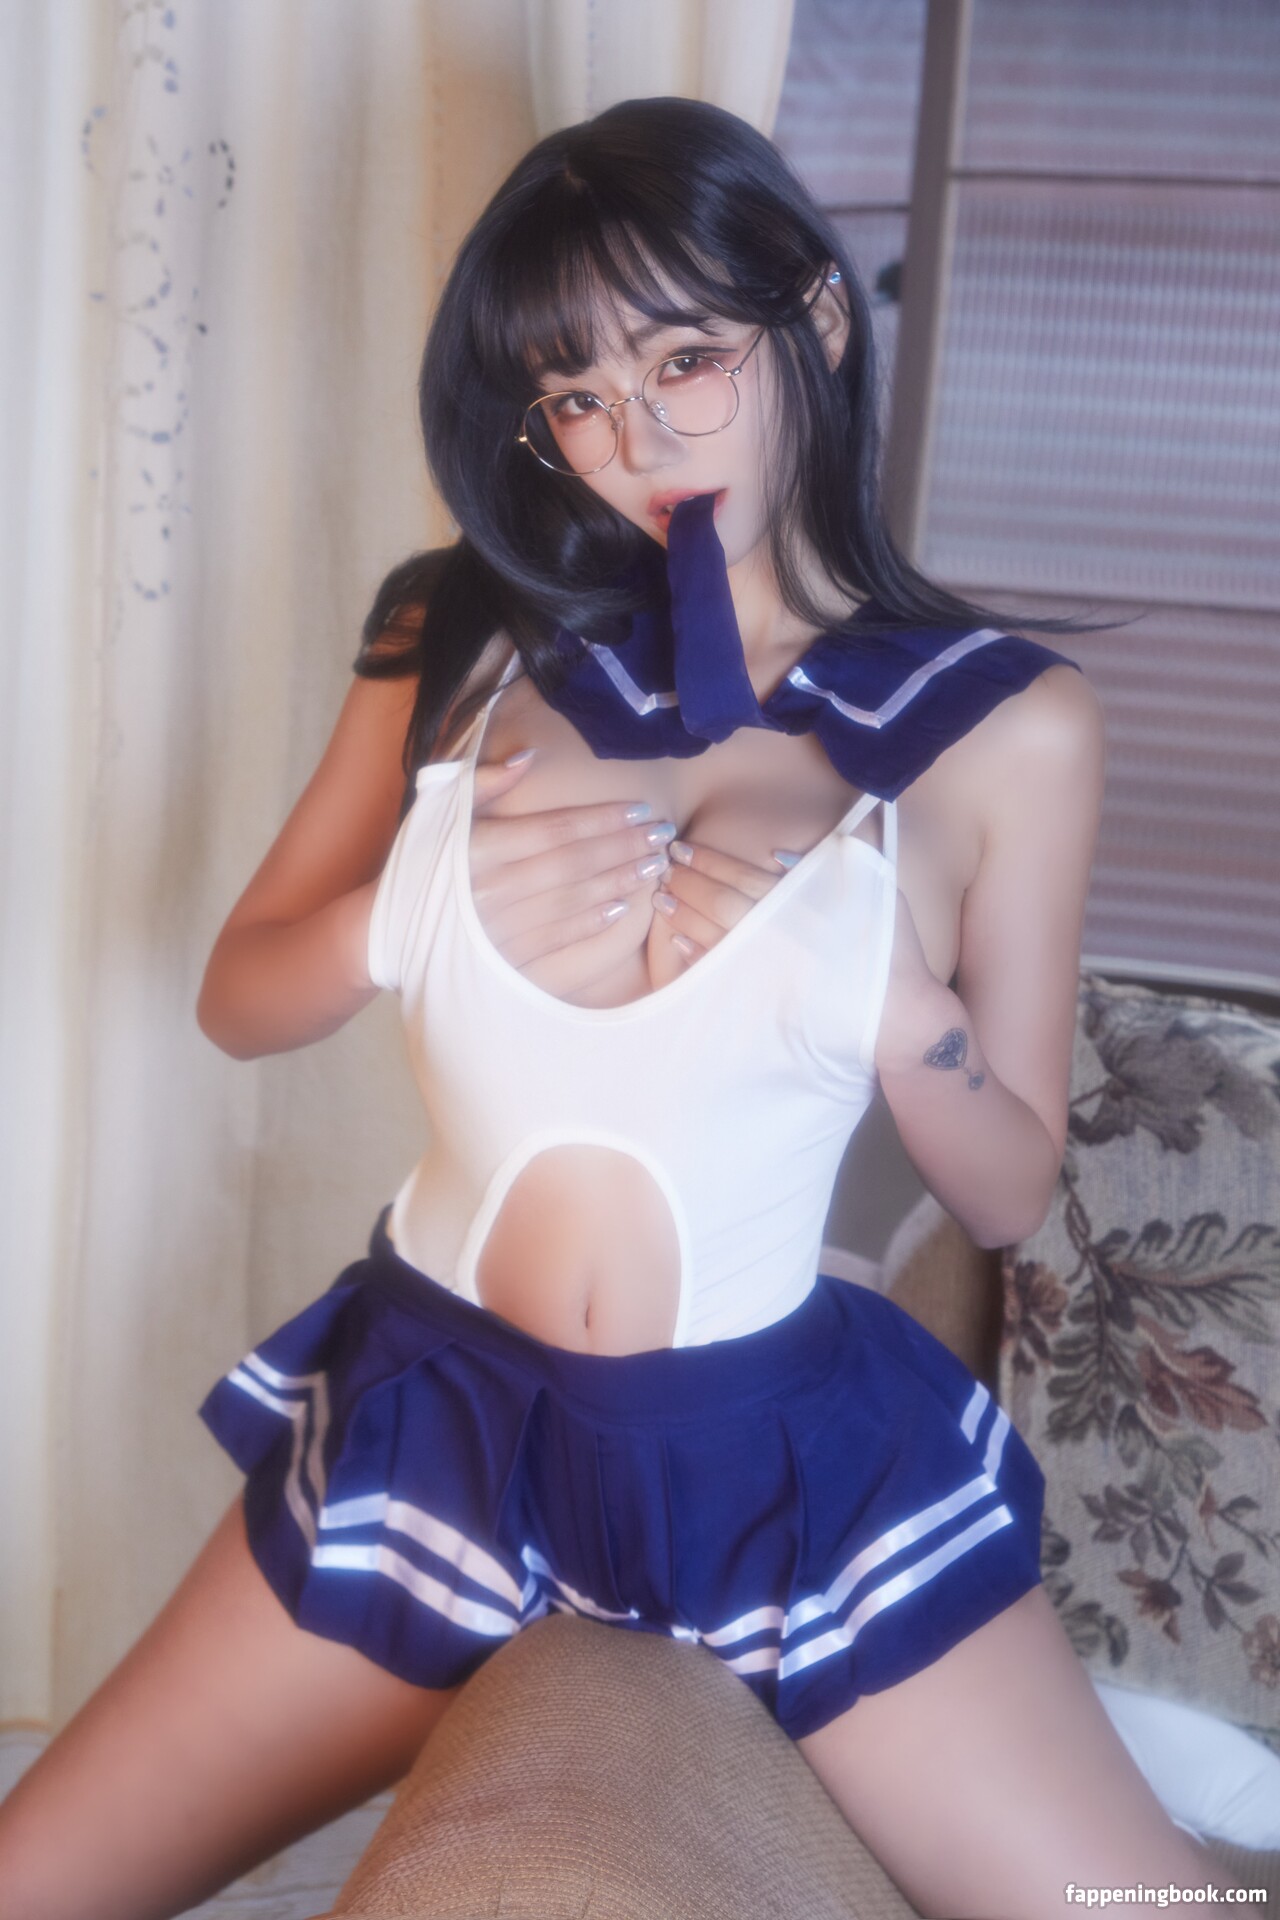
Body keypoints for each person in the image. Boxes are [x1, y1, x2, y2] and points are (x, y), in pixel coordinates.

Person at [0, 96, 1238, 1920]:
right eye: (574, 394)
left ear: (818, 323)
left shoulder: (1006, 728)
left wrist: (906, 1017)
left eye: (684, 360)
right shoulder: (464, 635)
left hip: (781, 1469)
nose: (637, 438)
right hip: (439, 1419)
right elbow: (238, 1002)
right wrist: (395, 919)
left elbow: (1009, 1190)